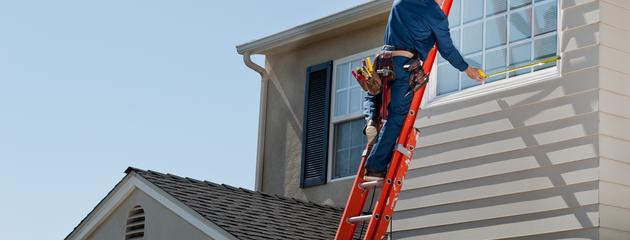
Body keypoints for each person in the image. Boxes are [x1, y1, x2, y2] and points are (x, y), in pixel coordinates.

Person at [362, 0, 484, 179]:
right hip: (405, 64)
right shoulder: (434, 12)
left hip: (384, 60)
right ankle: (375, 167)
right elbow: (447, 49)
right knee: (396, 115)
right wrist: (467, 69)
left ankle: (371, 120)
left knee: (374, 93)